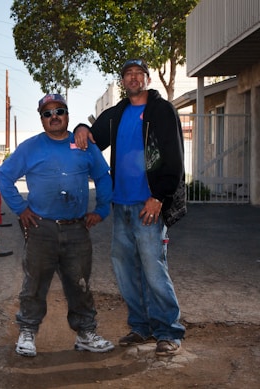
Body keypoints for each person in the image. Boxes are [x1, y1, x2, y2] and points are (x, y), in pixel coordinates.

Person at [74, 58, 186, 356]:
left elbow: (174, 158)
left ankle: (168, 331)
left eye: (139, 74)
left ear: (147, 79)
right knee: (124, 270)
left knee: (153, 269)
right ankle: (141, 326)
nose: (134, 78)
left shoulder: (162, 111)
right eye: (128, 74)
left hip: (148, 204)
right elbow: (93, 136)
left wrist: (159, 197)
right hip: (122, 205)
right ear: (123, 81)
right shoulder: (117, 114)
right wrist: (82, 127)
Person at [0, 93, 114, 357]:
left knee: (79, 283)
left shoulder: (83, 144)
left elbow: (103, 178)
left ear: (67, 115)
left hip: (77, 228)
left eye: (59, 111)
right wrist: (21, 208)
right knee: (35, 283)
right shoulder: (30, 148)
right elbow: (3, 176)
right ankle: (27, 332)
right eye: (47, 113)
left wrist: (102, 210)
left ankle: (85, 333)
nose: (54, 117)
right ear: (41, 120)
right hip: (41, 229)